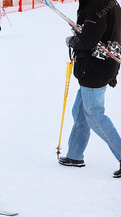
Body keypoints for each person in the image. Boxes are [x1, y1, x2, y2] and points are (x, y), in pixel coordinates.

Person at [58, 0, 121, 178]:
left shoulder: (97, 5)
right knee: (80, 110)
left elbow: (89, 39)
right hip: (100, 67)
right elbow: (111, 35)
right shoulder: (111, 3)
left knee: (94, 114)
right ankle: (75, 155)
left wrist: (72, 41)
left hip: (95, 68)